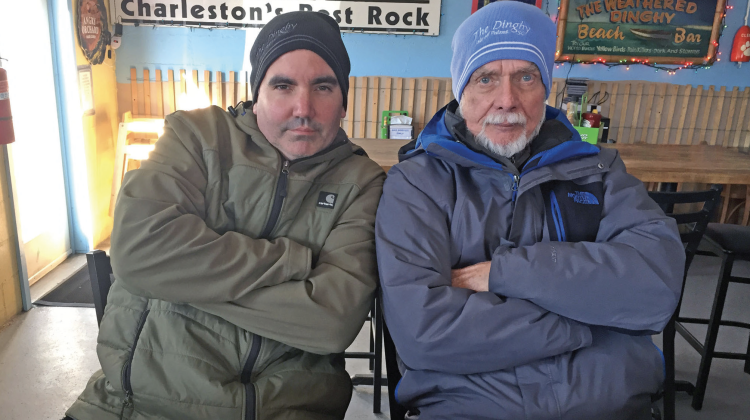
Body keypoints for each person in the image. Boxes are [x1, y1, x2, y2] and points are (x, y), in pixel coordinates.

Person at [64, 12, 384, 420]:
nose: (303, 108)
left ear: (343, 101)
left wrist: (179, 279)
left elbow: (331, 323)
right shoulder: (196, 137)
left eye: (323, 86)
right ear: (256, 92)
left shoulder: (362, 181)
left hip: (281, 409)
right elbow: (137, 252)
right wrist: (291, 261)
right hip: (133, 405)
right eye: (282, 85)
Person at [375, 2, 685, 419]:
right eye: (486, 78)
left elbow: (656, 287)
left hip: (606, 405)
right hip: (472, 408)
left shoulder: (597, 169)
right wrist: (590, 318)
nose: (508, 99)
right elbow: (424, 332)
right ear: (461, 90)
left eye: (526, 76)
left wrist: (506, 273)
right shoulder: (417, 182)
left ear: (546, 87)